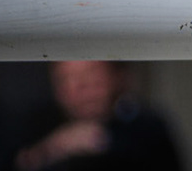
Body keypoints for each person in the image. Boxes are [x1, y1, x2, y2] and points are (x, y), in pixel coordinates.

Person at [11, 66, 179, 171]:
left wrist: (107, 142)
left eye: (90, 75)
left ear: (115, 77)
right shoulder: (37, 125)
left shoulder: (145, 127)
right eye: (65, 80)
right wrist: (53, 148)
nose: (78, 89)